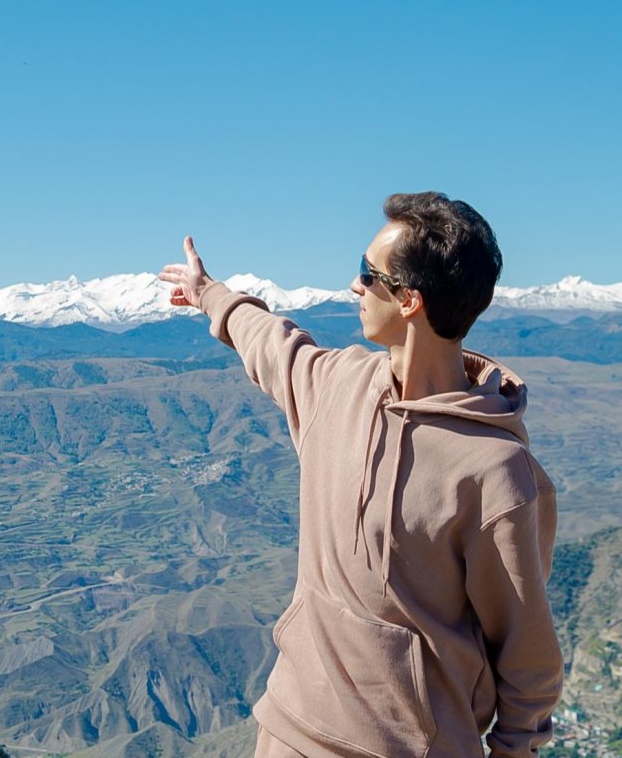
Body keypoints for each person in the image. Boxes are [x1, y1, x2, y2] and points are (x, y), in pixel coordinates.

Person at [159, 191, 563, 758]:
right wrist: (209, 293)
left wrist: (514, 751)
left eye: (367, 273)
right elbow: (272, 342)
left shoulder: (497, 474)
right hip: (288, 729)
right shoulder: (338, 385)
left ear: (409, 300)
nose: (354, 286)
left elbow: (527, 652)